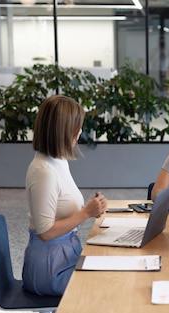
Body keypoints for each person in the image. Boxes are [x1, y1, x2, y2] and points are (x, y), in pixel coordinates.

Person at [22, 94, 108, 296]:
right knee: (108, 283)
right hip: (49, 267)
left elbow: (61, 208)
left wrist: (91, 208)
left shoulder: (57, 161)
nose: (80, 132)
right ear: (64, 131)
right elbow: (46, 232)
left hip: (64, 254)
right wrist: (86, 213)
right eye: (77, 127)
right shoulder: (43, 171)